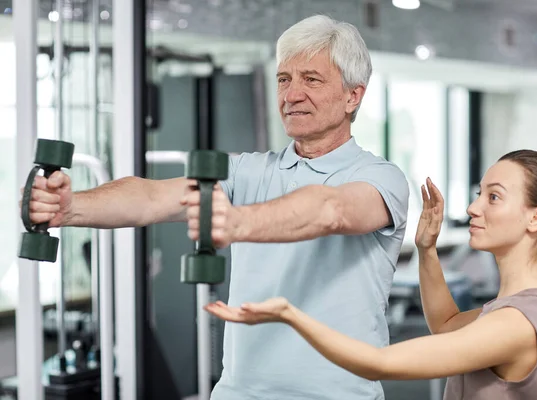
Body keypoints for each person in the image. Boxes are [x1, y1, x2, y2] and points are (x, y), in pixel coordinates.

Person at [23, 15, 410, 400]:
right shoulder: (248, 170)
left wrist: (237, 221)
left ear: (352, 96)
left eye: (311, 79)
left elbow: (331, 211)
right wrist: (71, 207)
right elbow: (151, 197)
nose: (291, 95)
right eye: (283, 79)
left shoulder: (380, 178)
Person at [205, 149, 537, 400]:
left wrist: (289, 314)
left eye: (493, 197)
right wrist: (426, 249)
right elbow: (447, 325)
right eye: (478, 193)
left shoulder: (515, 324)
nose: (474, 207)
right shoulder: (535, 303)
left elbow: (379, 364)